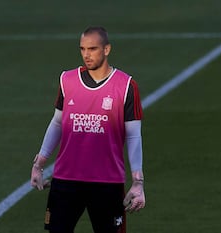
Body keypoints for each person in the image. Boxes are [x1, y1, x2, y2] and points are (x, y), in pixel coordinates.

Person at [31, 26, 145, 233]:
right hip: (66, 179)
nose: (86, 54)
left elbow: (134, 135)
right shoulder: (67, 80)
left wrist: (138, 182)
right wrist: (39, 163)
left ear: (107, 49)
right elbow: (57, 122)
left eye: (92, 49)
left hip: (107, 182)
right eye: (82, 49)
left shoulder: (126, 85)